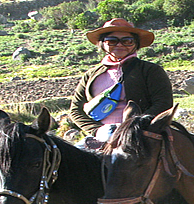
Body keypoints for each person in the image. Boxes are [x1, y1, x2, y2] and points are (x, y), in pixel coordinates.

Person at [69, 18, 173, 149]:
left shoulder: (150, 71)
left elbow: (163, 103)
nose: (119, 45)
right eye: (112, 41)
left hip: (141, 133)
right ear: (103, 44)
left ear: (136, 44)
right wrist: (97, 130)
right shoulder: (90, 75)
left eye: (127, 41)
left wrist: (133, 126)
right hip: (101, 135)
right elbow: (76, 110)